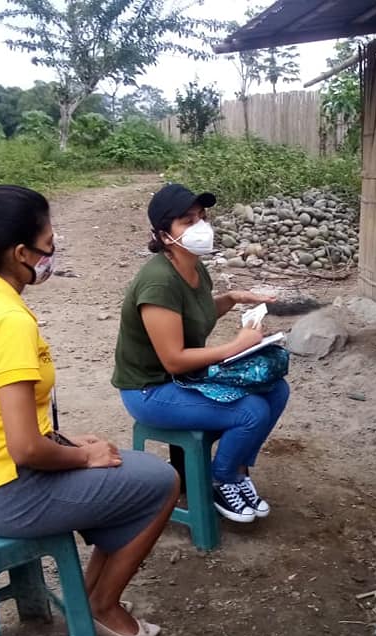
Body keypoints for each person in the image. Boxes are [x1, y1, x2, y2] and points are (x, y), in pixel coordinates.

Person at [0, 184, 180, 636]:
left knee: (121, 464)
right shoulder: (6, 320)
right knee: (161, 482)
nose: (53, 248)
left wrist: (65, 441)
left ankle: (90, 599)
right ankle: (102, 605)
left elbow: (0, 419)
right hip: (10, 492)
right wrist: (83, 458)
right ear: (20, 253)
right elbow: (24, 448)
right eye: (48, 240)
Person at [113, 183, 290, 524]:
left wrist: (233, 298)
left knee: (275, 390)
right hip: (150, 390)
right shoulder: (159, 282)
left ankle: (237, 471)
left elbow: (196, 313)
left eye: (202, 217)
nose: (201, 226)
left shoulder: (194, 267)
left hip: (183, 379)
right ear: (164, 235)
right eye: (187, 220)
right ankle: (218, 480)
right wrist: (236, 346)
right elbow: (173, 359)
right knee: (251, 411)